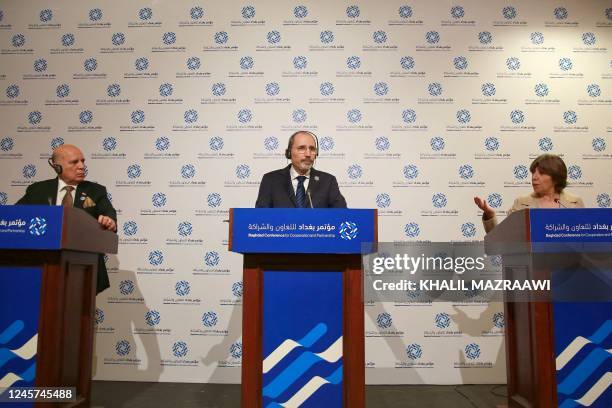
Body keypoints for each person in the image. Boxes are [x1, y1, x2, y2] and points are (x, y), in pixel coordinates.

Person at [16, 144, 117, 294]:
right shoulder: (37, 190)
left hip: (84, 268)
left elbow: (109, 214)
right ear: (57, 167)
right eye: (74, 162)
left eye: (83, 161)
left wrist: (109, 220)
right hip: (42, 266)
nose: (82, 166)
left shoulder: (96, 191)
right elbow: (15, 218)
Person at [474, 154, 584, 233]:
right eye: (533, 172)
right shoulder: (521, 203)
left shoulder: (574, 202)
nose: (534, 177)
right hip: (531, 263)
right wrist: (489, 214)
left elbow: (585, 238)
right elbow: (500, 238)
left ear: (556, 178)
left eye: (541, 173)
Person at [255, 131, 347, 208]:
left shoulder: (328, 181)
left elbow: (342, 216)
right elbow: (260, 217)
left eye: (312, 149)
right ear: (289, 153)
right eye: (301, 148)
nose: (308, 154)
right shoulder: (270, 180)